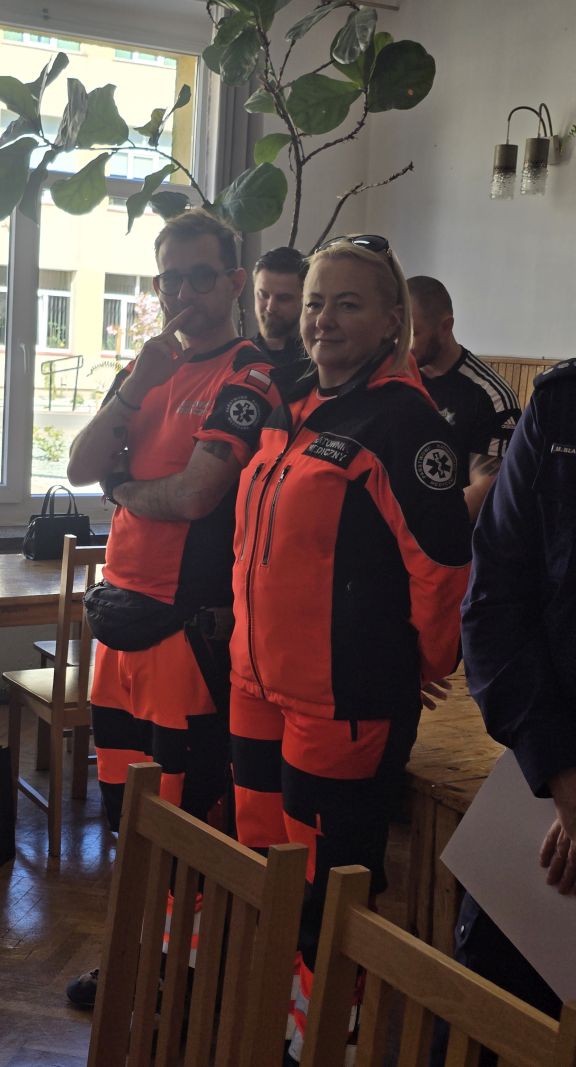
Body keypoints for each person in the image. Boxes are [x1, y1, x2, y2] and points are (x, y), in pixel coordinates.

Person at [228, 237, 472, 1063]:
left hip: (344, 697)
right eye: (315, 302)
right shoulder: (290, 399)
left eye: (347, 304)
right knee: (265, 856)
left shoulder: (405, 422)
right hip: (256, 682)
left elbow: (442, 564)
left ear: (392, 321)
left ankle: (327, 1025)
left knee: (329, 879)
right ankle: (275, 1000)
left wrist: (422, 663)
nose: (323, 319)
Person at [66, 209, 281, 1008]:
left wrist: (124, 487)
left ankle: (186, 980)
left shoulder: (250, 374)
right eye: (170, 279)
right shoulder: (148, 367)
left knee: (186, 822)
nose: (184, 293)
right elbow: (79, 463)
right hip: (121, 628)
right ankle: (137, 958)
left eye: (200, 276)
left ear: (234, 282)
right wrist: (133, 387)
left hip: (188, 634)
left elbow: (195, 496)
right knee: (125, 814)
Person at [455, 357, 576, 1034]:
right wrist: (562, 774)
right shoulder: (562, 407)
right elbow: (493, 605)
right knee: (489, 1020)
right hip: (543, 784)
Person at [408, 275, 521, 521]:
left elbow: (486, 489)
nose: (401, 345)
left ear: (445, 327)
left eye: (412, 334)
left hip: (450, 534)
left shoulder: (491, 395)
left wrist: (419, 531)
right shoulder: (395, 381)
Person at [251, 245, 307, 365]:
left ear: (305, 299)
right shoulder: (237, 360)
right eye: (263, 295)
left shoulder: (319, 363)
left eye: (283, 298)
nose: (271, 307)